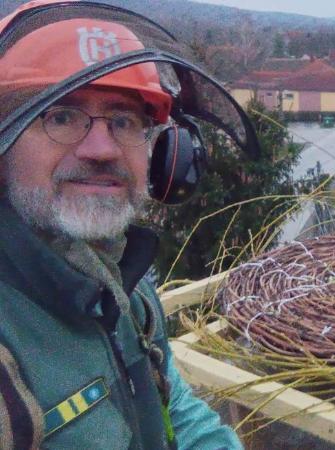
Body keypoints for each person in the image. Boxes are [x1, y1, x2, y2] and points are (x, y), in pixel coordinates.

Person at [0, 1, 256, 448]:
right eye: (61, 116)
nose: (102, 149)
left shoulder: (125, 284)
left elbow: (174, 408)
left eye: (123, 120)